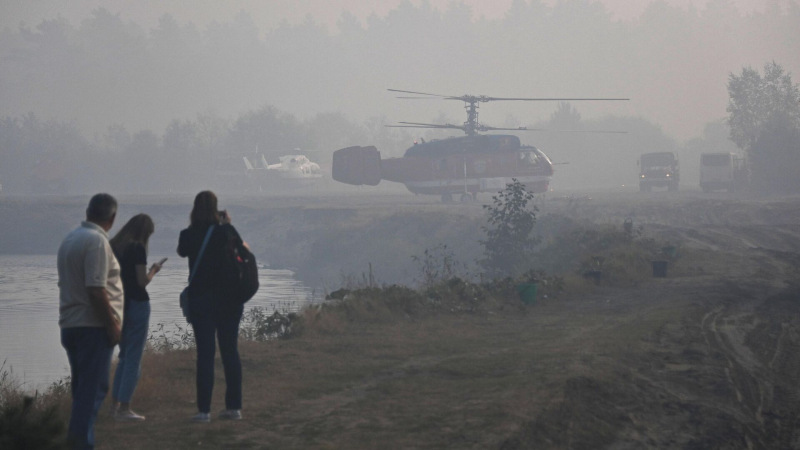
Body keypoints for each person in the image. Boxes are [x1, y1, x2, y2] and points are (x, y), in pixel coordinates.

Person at [57, 193, 123, 450]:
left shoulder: (71, 238)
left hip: (71, 323)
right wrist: (112, 324)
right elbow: (96, 289)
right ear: (112, 217)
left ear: (88, 212)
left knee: (82, 390)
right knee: (92, 390)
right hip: (92, 326)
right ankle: (80, 444)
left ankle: (82, 440)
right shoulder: (96, 241)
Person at [177, 191, 245, 423]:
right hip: (229, 301)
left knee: (205, 354)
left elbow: (182, 250)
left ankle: (204, 411)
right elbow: (244, 250)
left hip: (201, 300)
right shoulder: (226, 231)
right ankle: (234, 407)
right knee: (230, 351)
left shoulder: (188, 234)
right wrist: (226, 224)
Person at [108, 214, 163, 421]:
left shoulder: (114, 246)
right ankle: (125, 408)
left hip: (119, 305)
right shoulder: (137, 248)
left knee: (123, 357)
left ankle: (114, 406)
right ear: (145, 232)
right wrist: (153, 271)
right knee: (133, 357)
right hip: (138, 304)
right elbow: (141, 282)